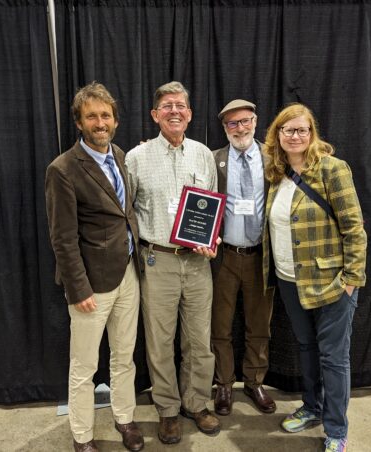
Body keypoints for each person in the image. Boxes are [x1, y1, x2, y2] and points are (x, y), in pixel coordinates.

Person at [262, 103, 367, 452]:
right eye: (288, 130)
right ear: (278, 134)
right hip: (290, 280)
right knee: (307, 348)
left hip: (332, 282)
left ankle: (336, 430)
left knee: (333, 358)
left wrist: (351, 278)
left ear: (312, 134)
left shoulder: (332, 170)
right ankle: (312, 407)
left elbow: (354, 227)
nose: (295, 136)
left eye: (302, 130)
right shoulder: (277, 175)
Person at [45, 82, 144, 452]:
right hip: (91, 286)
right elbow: (63, 238)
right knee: (83, 367)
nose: (100, 122)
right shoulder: (64, 169)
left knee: (124, 357)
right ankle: (83, 437)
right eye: (92, 116)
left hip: (129, 275)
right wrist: (79, 288)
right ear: (79, 122)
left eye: (105, 115)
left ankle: (124, 419)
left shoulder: (118, 154)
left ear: (115, 120)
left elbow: (123, 213)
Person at [125, 81, 220, 444]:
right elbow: (127, 211)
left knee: (199, 340)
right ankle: (166, 408)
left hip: (198, 264)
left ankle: (196, 403)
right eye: (167, 106)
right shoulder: (137, 158)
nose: (174, 111)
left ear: (190, 113)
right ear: (155, 114)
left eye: (180, 105)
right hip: (157, 260)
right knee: (160, 341)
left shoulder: (203, 155)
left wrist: (211, 240)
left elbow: (211, 207)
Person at [210, 99, 276, 416]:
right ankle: (223, 383)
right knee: (219, 326)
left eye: (245, 121)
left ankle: (254, 381)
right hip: (223, 257)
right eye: (232, 124)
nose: (240, 128)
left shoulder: (274, 158)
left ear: (255, 120)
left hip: (260, 258)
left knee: (259, 325)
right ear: (225, 128)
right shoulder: (213, 160)